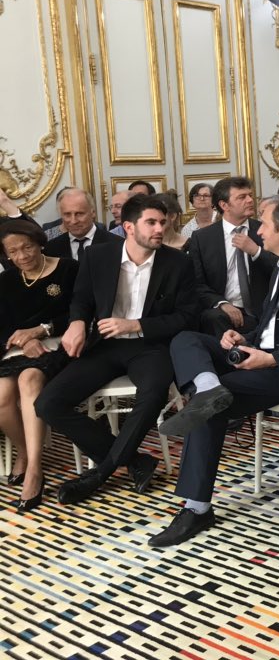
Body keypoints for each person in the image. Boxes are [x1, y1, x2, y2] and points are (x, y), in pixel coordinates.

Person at [148, 197, 279, 547]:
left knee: (206, 410)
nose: (258, 230)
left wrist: (271, 358)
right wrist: (245, 337)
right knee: (185, 339)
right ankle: (209, 386)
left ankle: (196, 508)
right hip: (262, 355)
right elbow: (273, 325)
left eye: (265, 225)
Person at [35, 195, 199, 505]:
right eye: (151, 222)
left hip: (150, 346)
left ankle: (101, 473)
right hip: (105, 345)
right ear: (128, 227)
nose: (159, 229)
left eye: (162, 222)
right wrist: (77, 324)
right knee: (48, 404)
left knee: (152, 395)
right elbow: (81, 299)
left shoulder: (178, 262)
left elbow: (187, 317)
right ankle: (135, 461)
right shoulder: (98, 256)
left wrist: (135, 325)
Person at [0, 221, 77, 512]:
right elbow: (3, 325)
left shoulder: (69, 269)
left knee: (29, 381)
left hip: (59, 343)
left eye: (27, 247)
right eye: (13, 252)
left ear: (39, 242)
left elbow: (81, 312)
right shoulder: (6, 281)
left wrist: (40, 330)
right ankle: (23, 449)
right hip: (17, 348)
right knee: (1, 398)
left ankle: (34, 468)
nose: (22, 256)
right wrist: (21, 340)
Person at [189, 176, 278, 337]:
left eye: (250, 195)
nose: (250, 200)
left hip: (264, 308)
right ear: (224, 205)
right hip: (223, 312)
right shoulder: (202, 238)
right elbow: (197, 283)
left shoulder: (267, 230)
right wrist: (221, 303)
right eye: (242, 197)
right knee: (212, 318)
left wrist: (256, 251)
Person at [43, 189, 119, 260]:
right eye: (67, 214)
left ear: (93, 213)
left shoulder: (116, 244)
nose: (73, 221)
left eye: (79, 214)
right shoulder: (51, 248)